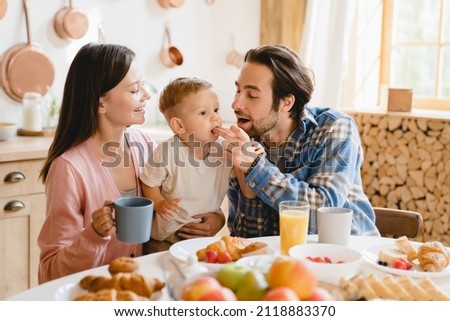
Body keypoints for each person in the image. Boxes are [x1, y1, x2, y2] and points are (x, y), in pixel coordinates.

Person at [213, 44, 380, 238]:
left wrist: (256, 169)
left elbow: (323, 215)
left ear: (286, 102)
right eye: (238, 91)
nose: (235, 104)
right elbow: (248, 241)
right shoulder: (244, 142)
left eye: (251, 95)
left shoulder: (334, 127)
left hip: (348, 257)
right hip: (284, 262)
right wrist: (248, 190)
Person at [37, 42, 156, 283]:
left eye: (142, 85)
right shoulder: (69, 168)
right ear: (101, 103)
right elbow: (51, 271)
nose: (146, 95)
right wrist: (93, 235)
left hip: (139, 294)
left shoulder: (145, 145)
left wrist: (213, 218)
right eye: (134, 90)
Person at [140, 77, 232, 252]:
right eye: (203, 113)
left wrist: (248, 150)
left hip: (204, 234)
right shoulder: (166, 152)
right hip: (167, 237)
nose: (216, 118)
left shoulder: (224, 150)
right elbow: (148, 181)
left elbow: (243, 171)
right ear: (179, 125)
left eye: (216, 109)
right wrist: (159, 203)